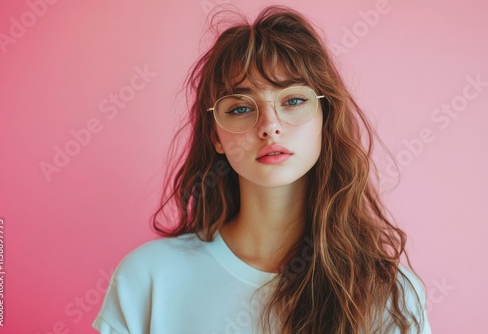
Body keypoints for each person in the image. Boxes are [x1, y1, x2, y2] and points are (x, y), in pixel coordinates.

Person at [92, 5, 431, 334]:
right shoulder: (148, 279)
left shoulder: (390, 295)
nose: (269, 126)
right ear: (216, 135)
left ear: (325, 118)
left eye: (293, 101)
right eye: (240, 108)